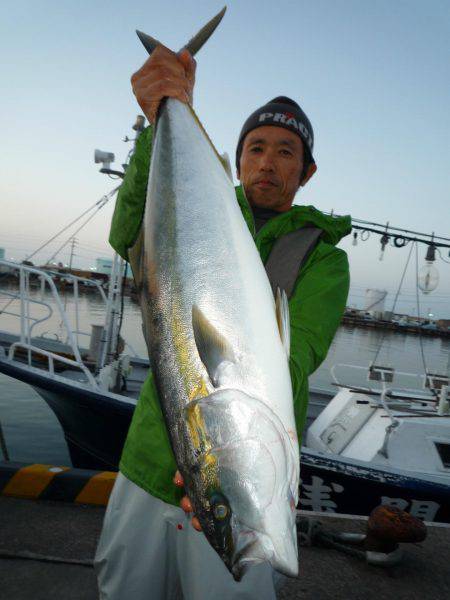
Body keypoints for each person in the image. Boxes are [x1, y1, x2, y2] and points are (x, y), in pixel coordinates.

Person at [95, 45, 351, 599]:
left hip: (233, 490)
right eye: (255, 148)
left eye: (286, 152)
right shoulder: (196, 203)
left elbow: (297, 354)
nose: (267, 162)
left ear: (306, 173)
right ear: (234, 164)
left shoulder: (323, 259)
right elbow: (126, 236)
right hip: (144, 465)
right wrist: (160, 115)